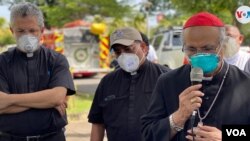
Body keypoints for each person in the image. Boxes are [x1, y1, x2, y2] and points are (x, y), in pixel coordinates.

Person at [141, 12, 250, 141]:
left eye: (207, 48)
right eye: (191, 49)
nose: (199, 55)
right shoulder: (167, 82)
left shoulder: (245, 83)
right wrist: (178, 117)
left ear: (223, 46)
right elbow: (147, 134)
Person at [0, 2, 75, 141]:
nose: (27, 36)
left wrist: (9, 100)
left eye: (32, 30)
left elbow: (57, 97)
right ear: (12, 31)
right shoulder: (2, 63)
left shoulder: (56, 60)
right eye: (21, 31)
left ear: (42, 30)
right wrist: (47, 101)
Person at [88, 27, 170, 141]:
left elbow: (179, 118)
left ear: (143, 47)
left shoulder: (166, 77)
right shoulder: (107, 82)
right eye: (118, 51)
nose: (123, 55)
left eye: (128, 49)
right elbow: (97, 123)